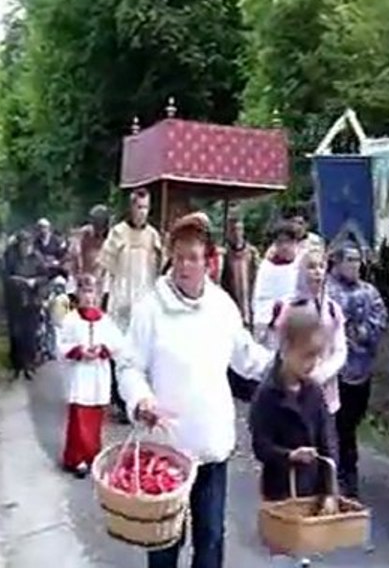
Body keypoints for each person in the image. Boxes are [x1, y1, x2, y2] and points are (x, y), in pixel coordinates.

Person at [117, 212, 274, 568]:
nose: (185, 266)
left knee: (211, 538)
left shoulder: (221, 307)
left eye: (193, 258)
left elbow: (247, 358)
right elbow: (129, 366)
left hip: (210, 446)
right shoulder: (150, 309)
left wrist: (285, 364)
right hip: (166, 452)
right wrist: (142, 400)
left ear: (209, 262)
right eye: (180, 257)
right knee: (164, 543)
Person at [249, 304, 338, 567]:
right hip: (279, 492)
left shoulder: (313, 392)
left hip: (310, 491)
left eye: (317, 357)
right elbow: (260, 446)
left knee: (306, 556)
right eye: (306, 356)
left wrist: (330, 491)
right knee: (282, 557)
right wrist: (289, 456)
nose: (312, 364)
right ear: (286, 349)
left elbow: (327, 440)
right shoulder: (268, 395)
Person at [326, 242, 388, 498]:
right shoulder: (328, 291)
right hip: (334, 371)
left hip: (361, 368)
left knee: (351, 422)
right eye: (349, 260)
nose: (354, 265)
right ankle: (340, 475)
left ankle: (347, 470)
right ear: (338, 262)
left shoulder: (370, 292)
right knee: (337, 426)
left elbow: (380, 320)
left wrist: (359, 332)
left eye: (357, 260)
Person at [101, 189, 163, 420]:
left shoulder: (153, 236)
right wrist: (104, 296)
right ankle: (118, 399)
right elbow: (105, 268)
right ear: (131, 207)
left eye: (146, 208)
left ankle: (140, 401)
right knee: (120, 351)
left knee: (142, 351)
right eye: (138, 207)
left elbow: (159, 269)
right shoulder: (118, 233)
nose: (142, 212)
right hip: (121, 300)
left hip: (144, 299)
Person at [57, 274, 126, 478]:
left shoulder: (105, 321)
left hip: (97, 374)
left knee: (95, 418)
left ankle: (92, 455)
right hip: (79, 375)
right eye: (84, 292)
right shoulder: (70, 320)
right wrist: (78, 351)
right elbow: (60, 345)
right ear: (78, 294)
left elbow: (119, 344)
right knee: (78, 418)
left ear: (97, 295)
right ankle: (75, 458)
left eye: (92, 293)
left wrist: (103, 349)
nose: (88, 297)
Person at [275, 248, 348, 414]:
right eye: (311, 266)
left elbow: (340, 348)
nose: (317, 272)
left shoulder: (332, 309)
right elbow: (280, 348)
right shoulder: (287, 308)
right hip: (294, 393)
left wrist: (322, 373)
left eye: (321, 266)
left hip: (326, 397)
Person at [6, 230, 48, 380]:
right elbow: (6, 276)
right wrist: (18, 281)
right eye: (22, 244)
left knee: (30, 334)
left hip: (32, 301)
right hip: (15, 300)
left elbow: (45, 277)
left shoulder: (37, 258)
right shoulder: (12, 258)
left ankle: (29, 364)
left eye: (27, 244)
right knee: (16, 333)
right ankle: (16, 365)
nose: (25, 247)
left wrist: (34, 282)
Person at [252, 221, 301, 350]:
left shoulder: (303, 265)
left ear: (296, 243)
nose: (284, 247)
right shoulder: (266, 268)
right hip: (273, 329)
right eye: (280, 242)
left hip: (300, 326)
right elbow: (260, 299)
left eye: (288, 242)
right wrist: (275, 309)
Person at [220, 215, 260, 328]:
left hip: (251, 304)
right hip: (231, 307)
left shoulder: (252, 253)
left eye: (239, 229)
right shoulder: (224, 255)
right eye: (233, 230)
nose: (236, 233)